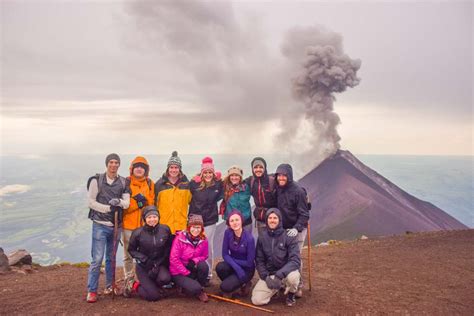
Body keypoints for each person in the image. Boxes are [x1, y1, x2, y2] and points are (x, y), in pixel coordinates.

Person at [86, 153, 130, 303]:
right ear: (107, 164)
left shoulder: (123, 182)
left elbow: (127, 203)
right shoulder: (96, 180)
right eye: (111, 162)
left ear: (119, 165)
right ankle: (92, 291)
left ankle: (109, 286)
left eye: (116, 162)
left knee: (111, 258)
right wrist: (108, 208)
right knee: (97, 259)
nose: (114, 165)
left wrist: (118, 201)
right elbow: (91, 202)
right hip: (100, 224)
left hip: (116, 226)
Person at [251, 208, 301, 307]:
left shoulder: (288, 236)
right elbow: (259, 260)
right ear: (266, 220)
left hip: (286, 273)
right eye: (270, 218)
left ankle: (291, 294)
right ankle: (275, 289)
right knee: (257, 300)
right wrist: (266, 277)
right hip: (271, 274)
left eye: (275, 218)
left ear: (280, 220)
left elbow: (295, 260)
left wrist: (279, 275)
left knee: (294, 277)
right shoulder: (262, 237)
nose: (272, 220)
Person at [124, 206, 172, 301]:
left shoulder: (165, 229)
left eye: (155, 217)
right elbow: (131, 250)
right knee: (153, 297)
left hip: (159, 264)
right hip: (143, 266)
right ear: (144, 219)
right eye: (149, 217)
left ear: (159, 217)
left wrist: (160, 262)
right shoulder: (137, 232)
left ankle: (154, 286)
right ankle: (136, 285)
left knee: (165, 279)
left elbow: (168, 247)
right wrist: (145, 260)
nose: (152, 219)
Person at [122, 156, 155, 286]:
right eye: (137, 167)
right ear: (132, 169)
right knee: (128, 256)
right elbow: (123, 208)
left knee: (145, 255)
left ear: (146, 170)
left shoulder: (150, 183)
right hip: (128, 226)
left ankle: (146, 281)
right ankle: (129, 282)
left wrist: (144, 203)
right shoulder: (125, 183)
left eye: (142, 167)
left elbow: (151, 204)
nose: (139, 169)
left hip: (144, 227)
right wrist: (138, 203)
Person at [189, 156, 223, 281]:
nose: (208, 175)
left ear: (213, 173)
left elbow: (222, 194)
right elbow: (187, 196)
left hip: (210, 220)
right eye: (206, 172)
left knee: (207, 246)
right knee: (193, 246)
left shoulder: (218, 184)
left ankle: (207, 273)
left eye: (210, 172)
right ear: (202, 173)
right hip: (195, 219)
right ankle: (193, 271)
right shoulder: (194, 184)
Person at [169, 214, 209, 302]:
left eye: (198, 227)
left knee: (204, 266)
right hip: (178, 271)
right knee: (194, 288)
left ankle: (200, 289)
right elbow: (173, 259)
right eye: (193, 227)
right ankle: (189, 287)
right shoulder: (180, 239)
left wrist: (195, 261)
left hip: (191, 267)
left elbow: (205, 255)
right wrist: (186, 272)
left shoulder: (204, 240)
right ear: (189, 227)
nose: (196, 230)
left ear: (202, 228)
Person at [216, 210, 255, 298]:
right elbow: (225, 254)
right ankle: (235, 283)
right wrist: (237, 268)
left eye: (237, 220)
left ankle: (245, 282)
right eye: (232, 221)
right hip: (235, 266)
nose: (235, 223)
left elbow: (249, 263)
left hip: (246, 269)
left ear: (241, 221)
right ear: (229, 223)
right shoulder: (228, 233)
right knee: (220, 267)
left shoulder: (249, 238)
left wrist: (234, 262)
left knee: (224, 287)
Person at [155, 151, 192, 240]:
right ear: (168, 169)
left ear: (180, 169)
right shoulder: (159, 185)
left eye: (176, 167)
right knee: (165, 253)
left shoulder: (186, 185)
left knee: (179, 252)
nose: (174, 170)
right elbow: (154, 204)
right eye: (171, 167)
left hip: (181, 226)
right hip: (164, 226)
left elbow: (193, 203)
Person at [274, 163, 310, 252]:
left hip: (297, 229)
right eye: (279, 175)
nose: (281, 178)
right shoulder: (278, 189)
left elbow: (304, 214)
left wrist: (296, 228)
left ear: (289, 176)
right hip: (284, 229)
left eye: (284, 175)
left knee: (295, 257)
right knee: (284, 256)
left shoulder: (298, 192)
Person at [245, 157, 277, 236]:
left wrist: (302, 192)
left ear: (265, 168)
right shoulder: (251, 181)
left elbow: (287, 185)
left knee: (274, 242)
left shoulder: (272, 180)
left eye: (261, 167)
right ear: (252, 169)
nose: (258, 169)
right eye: (255, 167)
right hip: (260, 218)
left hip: (273, 217)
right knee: (263, 242)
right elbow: (237, 183)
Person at [220, 166, 252, 231]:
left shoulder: (247, 187)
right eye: (232, 175)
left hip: (245, 222)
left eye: (236, 175)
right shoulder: (225, 188)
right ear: (229, 177)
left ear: (240, 177)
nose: (234, 178)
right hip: (231, 222)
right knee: (230, 240)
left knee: (247, 240)